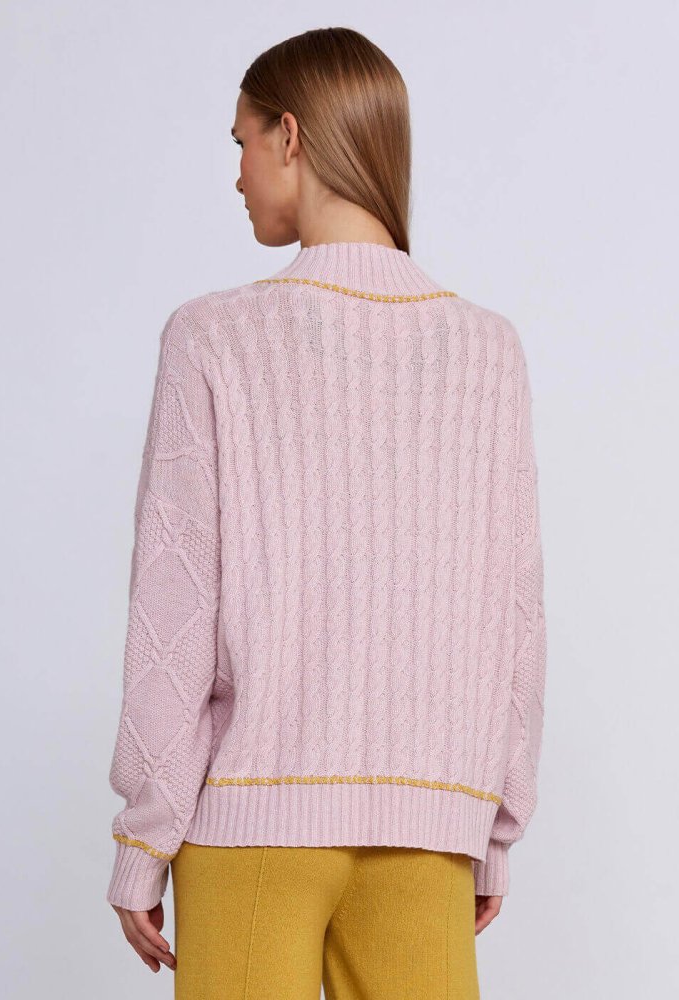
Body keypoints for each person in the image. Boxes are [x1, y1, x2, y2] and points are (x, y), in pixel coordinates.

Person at [105, 26, 547, 1000]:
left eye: (241, 142)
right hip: (428, 830)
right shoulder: (489, 351)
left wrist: (143, 841)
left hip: (247, 829)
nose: (237, 175)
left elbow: (174, 611)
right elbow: (513, 616)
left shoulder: (211, 338)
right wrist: (493, 828)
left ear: (291, 135)